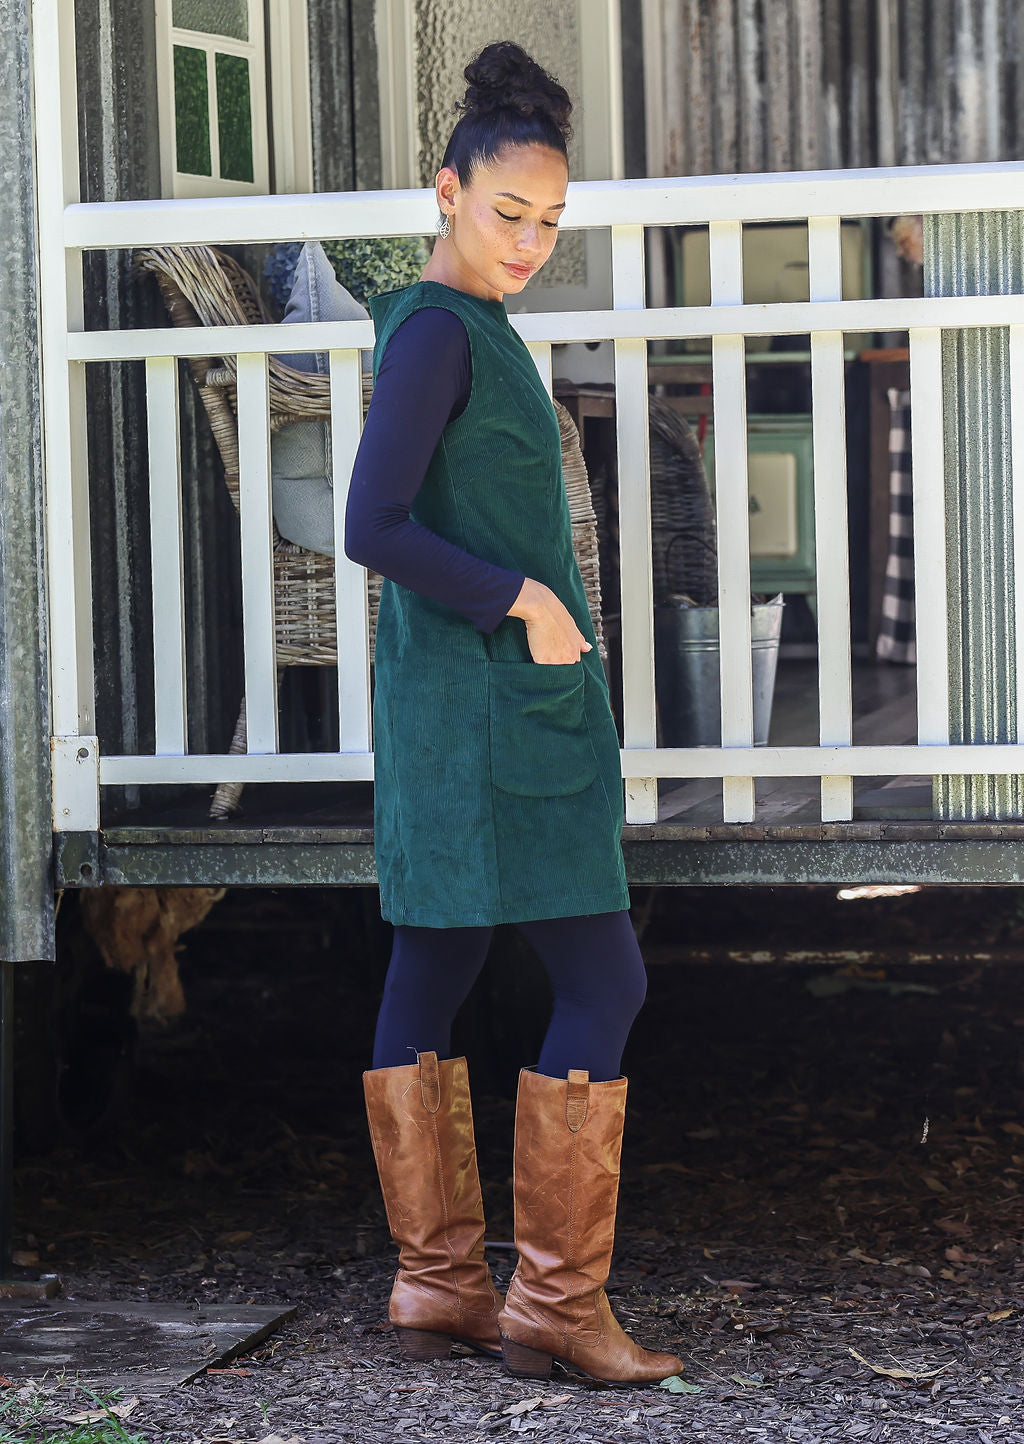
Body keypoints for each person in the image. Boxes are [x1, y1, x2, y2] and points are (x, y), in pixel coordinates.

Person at [344, 40, 683, 1388]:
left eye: (551, 221)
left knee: (436, 966)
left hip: (464, 704)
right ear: (447, 192)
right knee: (606, 977)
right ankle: (549, 1304)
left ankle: (440, 1285)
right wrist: (524, 603)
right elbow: (371, 523)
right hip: (488, 705)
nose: (532, 239)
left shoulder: (467, 327)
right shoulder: (436, 330)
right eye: (508, 212)